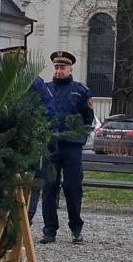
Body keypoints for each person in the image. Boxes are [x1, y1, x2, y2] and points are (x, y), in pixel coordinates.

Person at [0, 45, 56, 223]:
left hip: (11, 143)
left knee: (18, 181)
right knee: (28, 182)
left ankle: (12, 222)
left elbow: (49, 112)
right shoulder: (32, 81)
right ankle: (22, 222)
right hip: (19, 143)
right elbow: (50, 112)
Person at [39, 50, 94, 245]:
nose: (59, 70)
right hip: (51, 146)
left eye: (62, 67)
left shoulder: (80, 91)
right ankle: (49, 230)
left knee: (72, 187)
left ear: (71, 69)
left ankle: (76, 228)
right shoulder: (45, 89)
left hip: (72, 147)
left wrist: (78, 135)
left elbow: (88, 118)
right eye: (56, 67)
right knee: (49, 188)